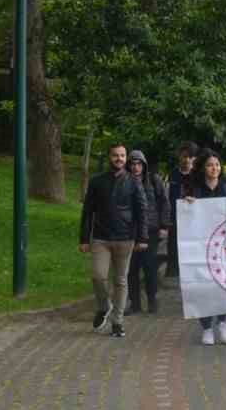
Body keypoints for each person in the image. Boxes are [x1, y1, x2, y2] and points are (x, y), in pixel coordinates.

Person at [77, 144, 150, 339]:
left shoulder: (134, 183)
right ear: (109, 157)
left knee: (120, 281)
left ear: (126, 158)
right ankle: (104, 306)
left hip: (125, 238)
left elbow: (142, 211)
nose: (119, 158)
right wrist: (84, 238)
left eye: (122, 155)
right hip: (101, 238)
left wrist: (143, 237)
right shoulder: (96, 181)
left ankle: (117, 322)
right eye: (115, 155)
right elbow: (87, 212)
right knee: (98, 276)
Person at [184, 150, 226, 345]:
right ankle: (206, 327)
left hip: (223, 245)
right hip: (201, 245)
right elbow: (185, 215)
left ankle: (222, 322)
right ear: (203, 168)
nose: (214, 168)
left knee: (223, 284)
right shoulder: (194, 190)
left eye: (217, 165)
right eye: (210, 165)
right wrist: (188, 205)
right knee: (202, 285)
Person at [125, 150, 171, 316]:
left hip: (151, 230)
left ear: (143, 165)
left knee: (149, 267)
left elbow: (164, 203)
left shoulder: (154, 180)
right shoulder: (124, 181)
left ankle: (152, 299)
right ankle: (134, 303)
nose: (136, 167)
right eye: (132, 164)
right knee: (131, 269)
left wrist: (164, 226)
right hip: (129, 232)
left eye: (139, 164)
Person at [166, 142, 198, 278]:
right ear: (179, 156)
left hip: (194, 218)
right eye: (184, 156)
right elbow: (166, 197)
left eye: (190, 157)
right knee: (173, 245)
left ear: (195, 158)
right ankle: (173, 272)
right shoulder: (172, 175)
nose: (187, 160)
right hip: (174, 217)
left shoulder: (198, 176)